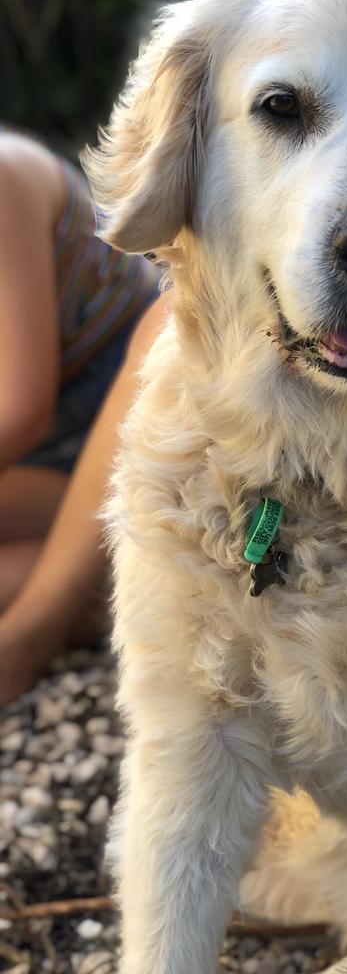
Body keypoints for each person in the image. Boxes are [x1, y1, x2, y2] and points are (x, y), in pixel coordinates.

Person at [0, 131, 169, 706]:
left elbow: (21, 410)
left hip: (115, 407)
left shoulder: (5, 175)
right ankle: (95, 585)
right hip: (43, 445)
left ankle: (60, 605)